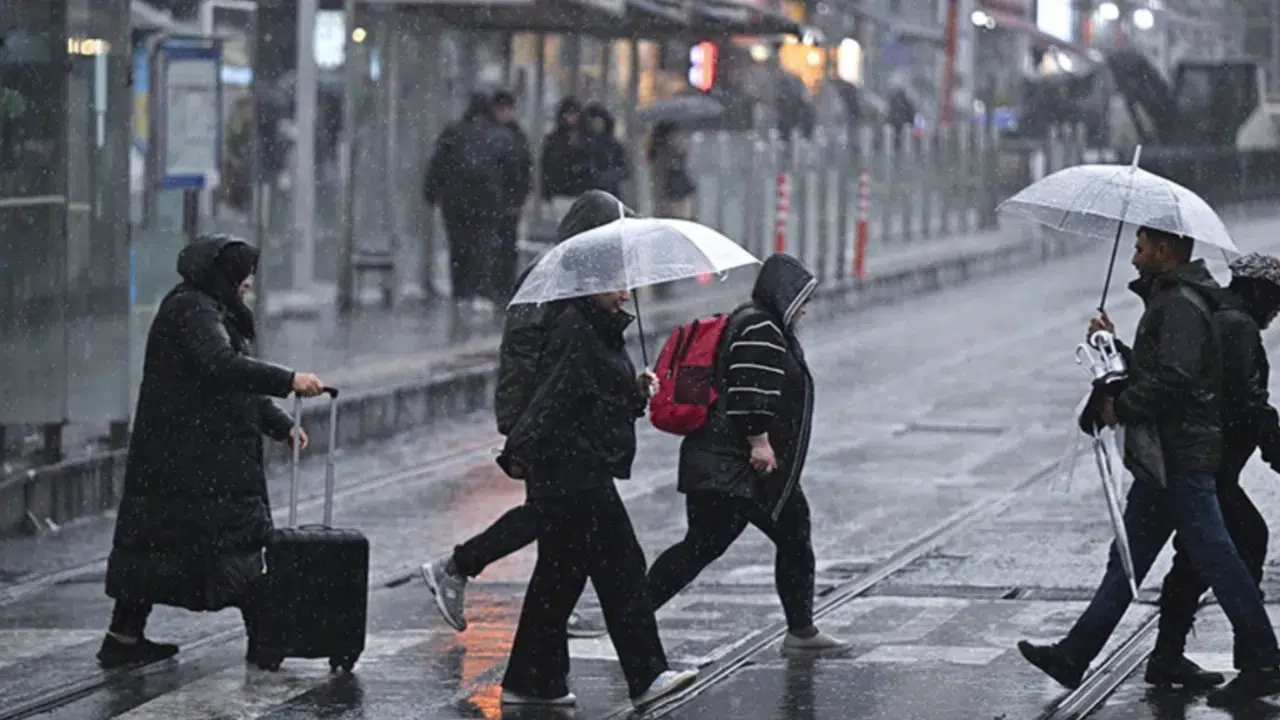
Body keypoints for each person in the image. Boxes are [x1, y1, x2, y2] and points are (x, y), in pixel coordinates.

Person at [1017, 226, 1280, 707]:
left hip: (1180, 456)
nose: (1134, 259)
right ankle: (1075, 655)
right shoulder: (1173, 300)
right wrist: (1110, 349)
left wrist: (1124, 406)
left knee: (1218, 558)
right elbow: (1160, 370)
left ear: (1164, 250)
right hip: (1164, 457)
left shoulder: (1179, 303)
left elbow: (1174, 381)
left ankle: (1264, 660)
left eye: (1140, 249)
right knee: (1129, 561)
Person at [100, 234, 326, 669]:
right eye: (244, 275)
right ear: (223, 275)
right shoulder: (192, 309)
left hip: (183, 457)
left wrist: (278, 423)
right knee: (230, 547)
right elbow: (222, 368)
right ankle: (267, 642)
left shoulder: (208, 307)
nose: (249, 284)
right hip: (195, 460)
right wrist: (288, 379)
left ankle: (124, 637)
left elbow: (229, 381)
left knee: (156, 546)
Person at [420, 190, 634, 639]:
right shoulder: (554, 280)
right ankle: (457, 567)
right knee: (553, 516)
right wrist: (522, 426)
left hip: (558, 422)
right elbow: (531, 357)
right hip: (547, 423)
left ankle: (546, 613)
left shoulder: (574, 277)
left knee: (558, 522)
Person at [493, 241, 696, 709]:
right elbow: (554, 397)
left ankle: (531, 679)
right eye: (618, 285)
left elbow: (595, 398)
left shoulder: (599, 328)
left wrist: (634, 390)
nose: (626, 294)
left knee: (559, 579)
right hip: (575, 472)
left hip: (578, 468)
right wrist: (517, 450)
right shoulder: (577, 331)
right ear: (592, 285)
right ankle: (648, 674)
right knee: (622, 569)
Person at [643, 253, 851, 656]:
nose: (805, 308)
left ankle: (801, 630)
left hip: (727, 463)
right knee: (736, 542)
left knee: (724, 542)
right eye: (802, 298)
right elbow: (750, 390)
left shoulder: (756, 322)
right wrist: (759, 441)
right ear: (784, 295)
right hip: (739, 465)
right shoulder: (761, 328)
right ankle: (632, 616)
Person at [1144, 252, 1280, 687]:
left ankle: (1167, 656)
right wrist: (1273, 442)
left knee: (1196, 556)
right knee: (1242, 541)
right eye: (1275, 299)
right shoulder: (1238, 326)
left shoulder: (1221, 317)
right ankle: (1256, 663)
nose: (1276, 311)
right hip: (1210, 465)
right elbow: (1247, 399)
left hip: (1205, 463)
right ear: (1256, 290)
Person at [423, 92, 511, 313]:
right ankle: (481, 292)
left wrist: (431, 193)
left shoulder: (453, 132)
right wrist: (511, 198)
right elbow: (513, 168)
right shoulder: (499, 135)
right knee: (483, 246)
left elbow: (437, 164)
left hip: (454, 201)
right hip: (487, 201)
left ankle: (461, 292)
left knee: (458, 246)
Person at [491, 90, 533, 301]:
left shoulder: (514, 135)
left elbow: (524, 168)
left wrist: (520, 196)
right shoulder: (509, 136)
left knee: (507, 244)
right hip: (496, 200)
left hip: (508, 200)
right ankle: (500, 286)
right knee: (499, 244)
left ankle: (505, 286)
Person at [539, 97, 595, 221]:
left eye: (574, 114)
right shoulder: (554, 140)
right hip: (561, 192)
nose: (571, 118)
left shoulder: (588, 139)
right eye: (568, 114)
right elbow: (547, 166)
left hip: (582, 192)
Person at [584, 102, 630, 200]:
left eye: (599, 122)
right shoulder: (585, 144)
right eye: (593, 122)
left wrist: (608, 177)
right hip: (589, 193)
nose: (596, 125)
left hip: (610, 193)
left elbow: (624, 169)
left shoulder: (613, 144)